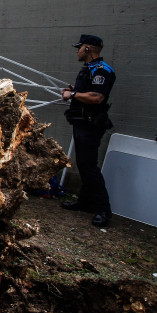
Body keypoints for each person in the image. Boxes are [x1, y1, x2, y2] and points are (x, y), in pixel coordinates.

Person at [60, 34, 116, 227]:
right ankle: (85, 201)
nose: (78, 51)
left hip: (91, 125)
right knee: (83, 165)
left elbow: (97, 97)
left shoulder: (102, 70)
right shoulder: (89, 69)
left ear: (88, 49)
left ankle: (103, 210)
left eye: (80, 47)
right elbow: (87, 94)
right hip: (81, 123)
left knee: (89, 167)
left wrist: (74, 94)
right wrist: (74, 92)